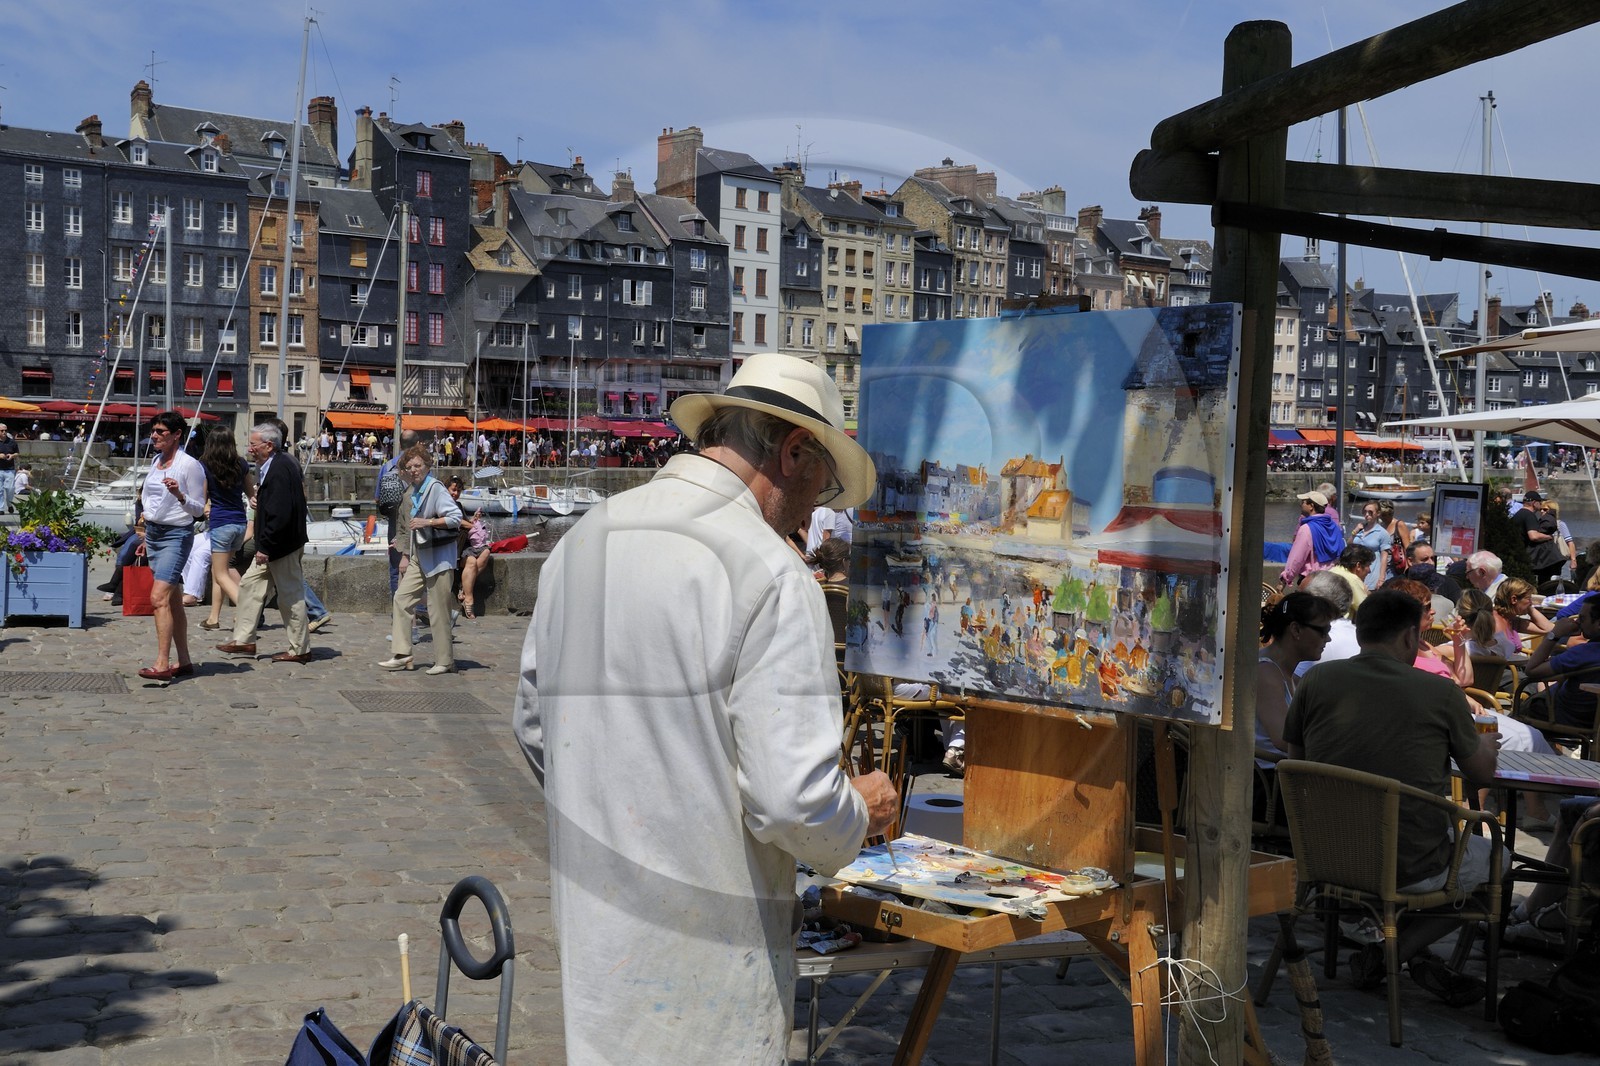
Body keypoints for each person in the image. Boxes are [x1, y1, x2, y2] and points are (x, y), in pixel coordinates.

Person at [513, 352, 897, 1065]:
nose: (815, 508)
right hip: (709, 966)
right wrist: (858, 810)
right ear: (792, 453)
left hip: (600, 941)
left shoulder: (586, 538)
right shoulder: (773, 574)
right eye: (823, 484)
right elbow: (794, 801)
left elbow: (536, 727)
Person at [1285, 589, 1503, 1007]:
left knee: (1427, 840)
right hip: (1408, 863)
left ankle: (1401, 950)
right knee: (1497, 858)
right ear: (1409, 636)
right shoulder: (1440, 692)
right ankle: (1395, 952)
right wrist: (1486, 747)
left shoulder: (1315, 680)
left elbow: (1297, 764)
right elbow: (1480, 774)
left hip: (1326, 854)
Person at [216, 423, 312, 664]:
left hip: (281, 545)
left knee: (290, 596)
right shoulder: (275, 464)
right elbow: (278, 504)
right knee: (249, 585)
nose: (250, 449)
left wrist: (265, 547)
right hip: (275, 543)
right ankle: (244, 640)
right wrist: (260, 499)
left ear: (268, 446)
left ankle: (300, 649)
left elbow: (281, 513)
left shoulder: (280, 468)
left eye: (253, 444)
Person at [137, 411, 207, 682]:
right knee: (173, 601)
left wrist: (179, 495)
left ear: (177, 435)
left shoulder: (189, 465)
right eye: (153, 431)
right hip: (154, 535)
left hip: (176, 536)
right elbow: (151, 501)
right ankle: (185, 661)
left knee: (158, 598)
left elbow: (198, 510)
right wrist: (145, 535)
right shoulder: (156, 461)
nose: (154, 436)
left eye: (160, 432)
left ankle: (162, 663)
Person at [378, 446, 461, 674]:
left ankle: (445, 661)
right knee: (401, 599)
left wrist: (428, 522)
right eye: (409, 467)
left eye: (418, 465)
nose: (414, 470)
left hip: (438, 558)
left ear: (427, 466)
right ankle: (402, 654)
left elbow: (455, 517)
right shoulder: (414, 490)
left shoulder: (435, 488)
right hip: (420, 555)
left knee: (438, 611)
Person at [1256, 591, 1337, 760]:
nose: (1328, 639)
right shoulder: (1266, 673)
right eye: (1323, 631)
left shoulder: (1288, 675)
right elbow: (1285, 740)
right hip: (1269, 775)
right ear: (1296, 629)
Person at [199, 425, 254, 632]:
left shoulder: (205, 465)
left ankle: (248, 611)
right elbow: (251, 495)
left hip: (221, 523)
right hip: (239, 524)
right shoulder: (241, 464)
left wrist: (204, 506)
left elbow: (202, 497)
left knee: (221, 574)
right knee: (218, 571)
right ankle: (213, 618)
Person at [1524, 595, 1600, 733]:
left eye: (1582, 618)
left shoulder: (1583, 653)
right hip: (1593, 718)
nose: (1577, 622)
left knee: (1524, 708)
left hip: (1564, 715)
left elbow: (1532, 670)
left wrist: (1555, 634)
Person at [1280, 490, 1344, 586]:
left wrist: (1285, 579)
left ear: (1311, 506)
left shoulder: (1307, 528)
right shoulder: (1334, 526)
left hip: (1312, 581)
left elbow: (1296, 559)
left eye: (1303, 502)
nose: (1301, 505)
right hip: (1332, 580)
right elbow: (1341, 550)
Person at [449, 476, 489, 619]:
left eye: (459, 491)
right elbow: (456, 521)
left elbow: (465, 522)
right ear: (446, 489)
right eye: (453, 490)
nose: (456, 494)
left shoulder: (459, 505)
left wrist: (473, 520)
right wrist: (473, 526)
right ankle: (469, 599)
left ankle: (463, 586)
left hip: (465, 543)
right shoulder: (443, 504)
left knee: (486, 552)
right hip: (454, 546)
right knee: (471, 561)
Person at [1515, 491, 1567, 587]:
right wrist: (1549, 537)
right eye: (1540, 502)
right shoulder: (1529, 515)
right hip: (1524, 555)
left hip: (1517, 553)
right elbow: (1534, 536)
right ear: (1534, 503)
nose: (1540, 506)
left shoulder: (1519, 514)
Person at [1350, 501, 1393, 590]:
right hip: (1355, 573)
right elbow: (1349, 546)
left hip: (1372, 574)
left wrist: (1381, 579)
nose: (1367, 515)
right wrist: (1355, 531)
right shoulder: (1360, 529)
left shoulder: (1382, 533)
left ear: (1378, 513)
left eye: (1370, 512)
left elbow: (1384, 557)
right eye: (1364, 512)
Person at [1326, 544, 1374, 615]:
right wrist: (1367, 594)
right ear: (1358, 565)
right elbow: (1366, 610)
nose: (1369, 571)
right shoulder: (1352, 579)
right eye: (1368, 565)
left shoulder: (1331, 571)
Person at [0, 422, 17, 513]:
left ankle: (9, 504)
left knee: (10, 488)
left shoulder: (12, 442)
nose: (4, 432)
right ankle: (1, 508)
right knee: (0, 490)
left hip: (9, 469)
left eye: (5, 430)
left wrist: (12, 455)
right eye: (2, 430)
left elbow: (17, 453)